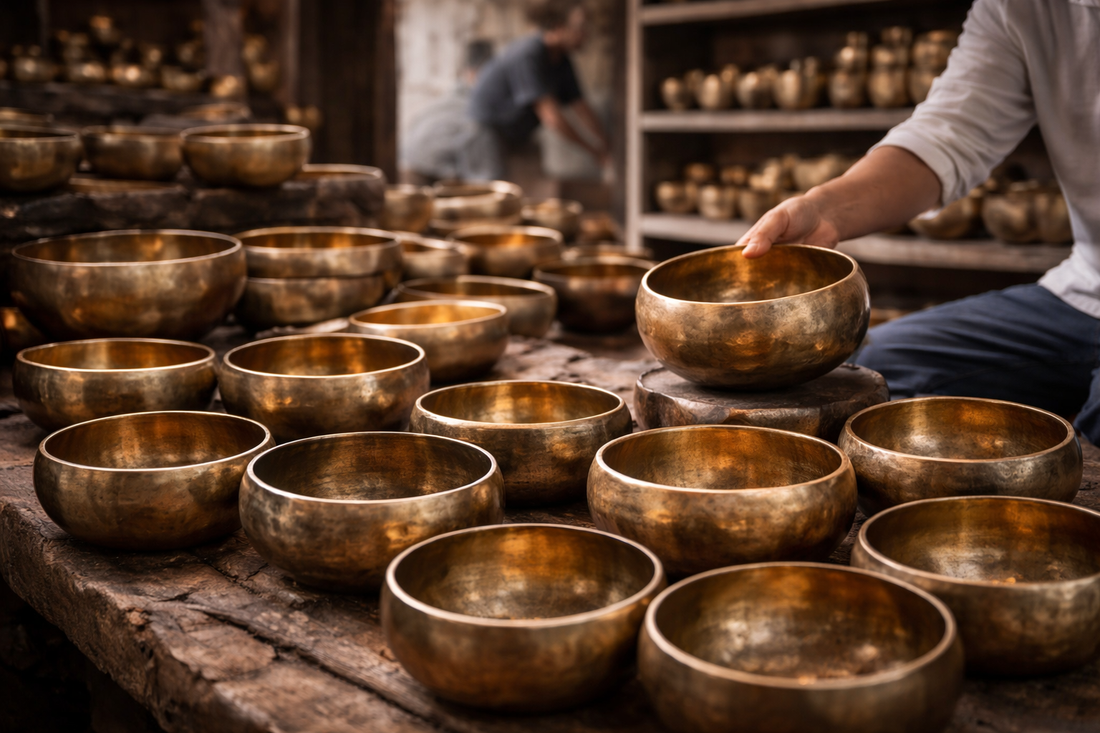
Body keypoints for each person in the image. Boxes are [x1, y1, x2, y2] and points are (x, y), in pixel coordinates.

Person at [736, 0, 1100, 444]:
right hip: (1085, 290)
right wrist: (825, 209)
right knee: (866, 378)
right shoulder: (1023, 6)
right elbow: (948, 135)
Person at [463, 0, 611, 181]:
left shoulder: (561, 61)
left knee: (528, 186)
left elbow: (581, 107)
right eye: (580, 27)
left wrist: (606, 145)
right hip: (486, 131)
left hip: (516, 134)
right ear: (557, 27)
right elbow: (552, 117)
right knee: (490, 191)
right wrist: (593, 151)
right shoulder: (529, 54)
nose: (585, 34)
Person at [399, 40, 495, 183]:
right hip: (430, 175)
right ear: (474, 73)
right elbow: (481, 173)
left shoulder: (444, 100)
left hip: (404, 165)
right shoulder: (474, 108)